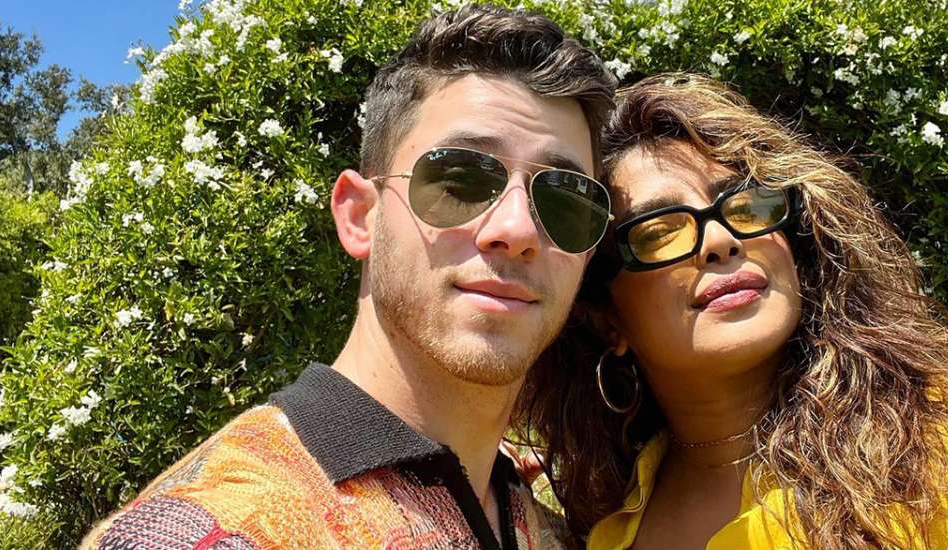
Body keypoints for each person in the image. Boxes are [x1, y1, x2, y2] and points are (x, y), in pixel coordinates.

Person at [514, 74, 948, 549]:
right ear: (605, 317)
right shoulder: (600, 526)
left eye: (745, 204)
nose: (721, 239)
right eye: (658, 230)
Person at [82, 5, 616, 549]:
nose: (518, 229)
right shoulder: (213, 530)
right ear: (360, 217)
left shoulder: (548, 531)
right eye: (459, 179)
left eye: (566, 202)